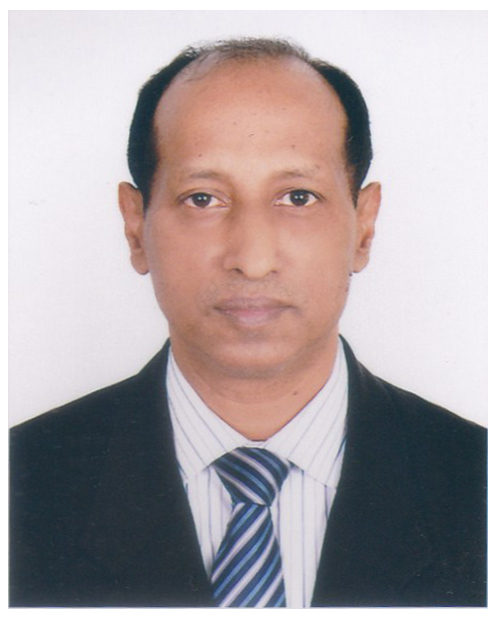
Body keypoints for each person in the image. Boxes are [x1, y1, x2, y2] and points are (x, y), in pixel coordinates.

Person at [9, 38, 487, 608]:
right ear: (135, 227)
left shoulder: (478, 484)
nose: (253, 259)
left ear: (364, 226)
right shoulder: (21, 486)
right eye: (202, 199)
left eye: (298, 197)